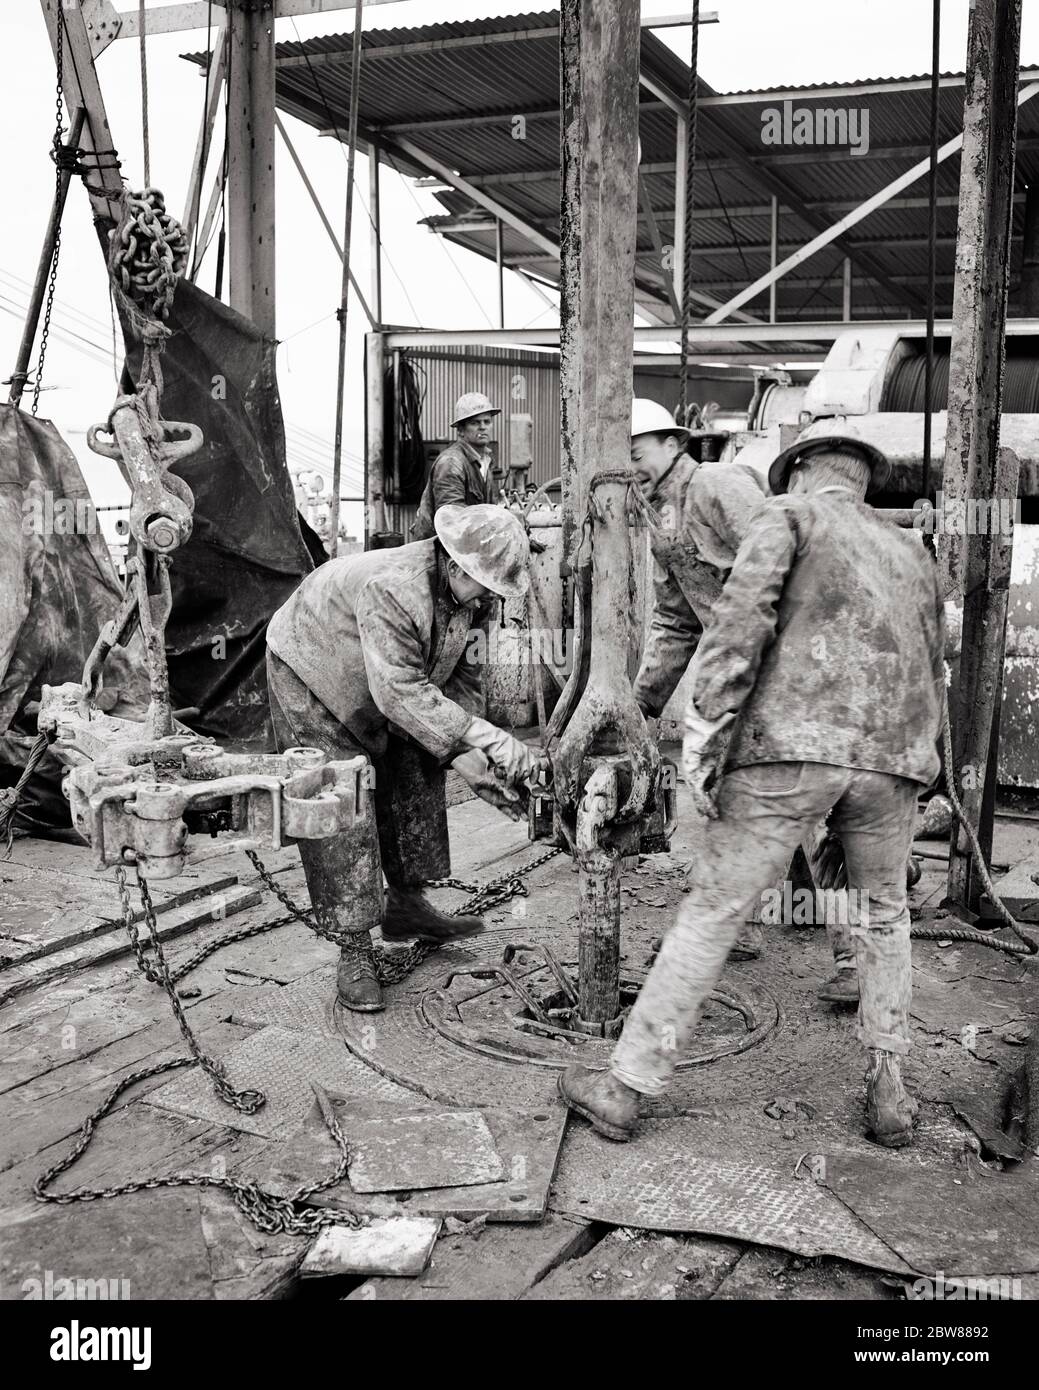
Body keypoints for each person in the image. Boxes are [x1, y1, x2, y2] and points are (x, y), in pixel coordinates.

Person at [560, 437, 945, 1149]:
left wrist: (706, 732)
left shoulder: (785, 515)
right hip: (892, 756)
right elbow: (932, 658)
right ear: (862, 481)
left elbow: (740, 623)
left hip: (788, 744)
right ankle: (888, 1088)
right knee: (884, 915)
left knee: (713, 910)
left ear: (798, 471)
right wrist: (928, 766)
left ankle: (625, 1085)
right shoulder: (907, 549)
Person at [266, 504, 545, 1014]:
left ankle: (408, 906)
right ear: (459, 568)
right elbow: (398, 693)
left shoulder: (471, 597)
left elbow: (462, 681)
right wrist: (493, 742)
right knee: (342, 794)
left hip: (388, 681)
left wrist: (464, 751)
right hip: (313, 673)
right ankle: (354, 949)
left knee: (420, 762)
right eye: (486, 589)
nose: (490, 600)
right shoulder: (396, 587)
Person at [629, 397, 769, 958]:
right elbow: (675, 618)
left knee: (804, 795)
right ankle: (742, 915)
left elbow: (781, 555)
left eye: (637, 453)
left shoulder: (714, 485)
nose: (631, 467)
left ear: (672, 444)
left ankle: (848, 950)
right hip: (739, 668)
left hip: (782, 659)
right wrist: (638, 705)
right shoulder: (656, 515)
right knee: (730, 789)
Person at [411, 393, 502, 541]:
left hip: (468, 544)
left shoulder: (485, 462)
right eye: (475, 423)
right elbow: (453, 520)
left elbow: (491, 512)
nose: (482, 427)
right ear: (460, 430)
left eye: (487, 421)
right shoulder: (451, 463)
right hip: (440, 549)